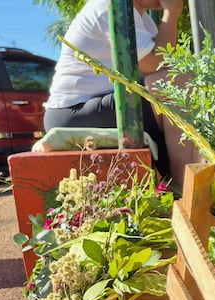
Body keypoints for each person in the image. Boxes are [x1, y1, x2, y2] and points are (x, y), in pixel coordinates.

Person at [43, 0, 196, 186]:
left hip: (100, 103)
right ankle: (185, 188)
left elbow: (166, 64)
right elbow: (155, 64)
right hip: (73, 111)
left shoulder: (143, 18)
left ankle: (174, 184)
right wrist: (172, 14)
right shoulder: (111, 5)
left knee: (176, 83)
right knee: (177, 84)